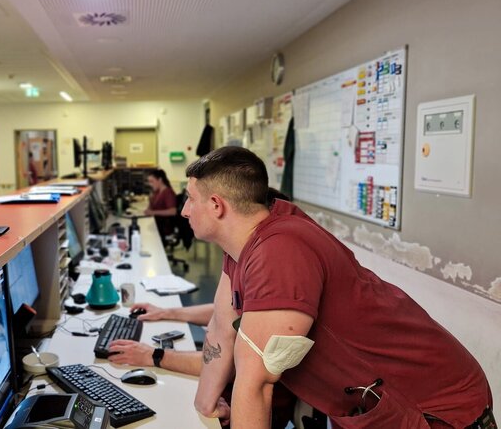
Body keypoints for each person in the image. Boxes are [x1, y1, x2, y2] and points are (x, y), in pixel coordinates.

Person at [184, 146, 492, 428]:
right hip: (377, 402)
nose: (185, 210)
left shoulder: (279, 251)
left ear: (216, 205)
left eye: (190, 198)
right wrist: (206, 402)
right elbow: (221, 326)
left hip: (435, 406)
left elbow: (257, 381)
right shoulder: (242, 245)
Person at [108, 303, 298, 428]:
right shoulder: (241, 260)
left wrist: (155, 355)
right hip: (227, 391)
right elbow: (226, 311)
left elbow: (228, 364)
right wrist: (166, 312)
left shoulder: (268, 266)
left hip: (254, 408)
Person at [143, 169, 177, 239]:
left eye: (152, 181)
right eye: (149, 182)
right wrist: (151, 199)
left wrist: (152, 212)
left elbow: (173, 211)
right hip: (157, 223)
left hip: (164, 227)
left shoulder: (168, 192)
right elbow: (151, 207)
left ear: (160, 180)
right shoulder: (157, 192)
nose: (150, 184)